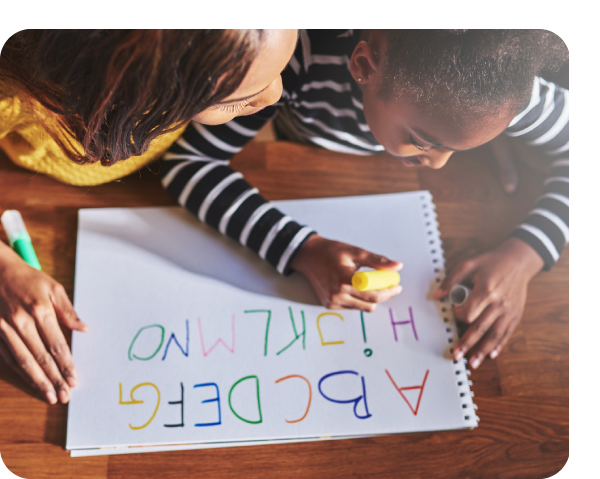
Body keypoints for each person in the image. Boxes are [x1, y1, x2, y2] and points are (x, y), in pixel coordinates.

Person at [157, 29, 569, 371]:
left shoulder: (510, 89)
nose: (438, 165)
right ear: (363, 67)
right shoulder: (289, 60)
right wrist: (300, 248)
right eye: (423, 141)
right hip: (298, 139)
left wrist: (526, 254)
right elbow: (188, 161)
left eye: (461, 148)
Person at [0, 29, 299, 404]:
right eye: (238, 101)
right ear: (129, 82)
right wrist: (5, 268)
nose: (277, 96)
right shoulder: (13, 94)